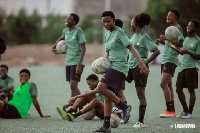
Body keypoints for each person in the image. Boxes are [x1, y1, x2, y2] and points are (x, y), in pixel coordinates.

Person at [93, 11, 149, 133]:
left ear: (113, 20)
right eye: (103, 22)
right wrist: (102, 66)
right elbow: (108, 53)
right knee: (107, 98)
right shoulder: (107, 35)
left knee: (101, 88)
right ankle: (106, 127)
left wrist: (141, 63)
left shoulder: (119, 32)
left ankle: (124, 106)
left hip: (120, 67)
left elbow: (131, 47)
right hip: (111, 67)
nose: (106, 24)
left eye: (108, 21)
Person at [126, 13, 160, 128]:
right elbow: (131, 52)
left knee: (140, 95)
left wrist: (144, 63)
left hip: (139, 69)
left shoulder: (144, 37)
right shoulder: (133, 36)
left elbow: (156, 51)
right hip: (129, 67)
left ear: (135, 24)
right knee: (117, 85)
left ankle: (140, 122)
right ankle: (122, 108)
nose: (130, 24)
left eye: (131, 22)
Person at [168, 20, 200, 119]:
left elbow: (198, 56)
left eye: (191, 26)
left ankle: (189, 112)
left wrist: (188, 52)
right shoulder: (185, 39)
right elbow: (183, 52)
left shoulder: (198, 40)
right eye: (187, 26)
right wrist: (174, 47)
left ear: (196, 29)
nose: (188, 27)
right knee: (178, 89)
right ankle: (185, 110)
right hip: (183, 67)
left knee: (191, 91)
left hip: (192, 68)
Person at [155, 9, 184, 118]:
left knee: (163, 84)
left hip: (171, 59)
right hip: (165, 59)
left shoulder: (178, 28)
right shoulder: (170, 29)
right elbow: (169, 43)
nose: (168, 17)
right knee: (169, 85)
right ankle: (172, 111)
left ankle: (169, 111)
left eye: (171, 15)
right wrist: (161, 40)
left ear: (176, 17)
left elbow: (181, 43)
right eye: (167, 15)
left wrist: (166, 38)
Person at [52, 13, 86, 98]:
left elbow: (84, 48)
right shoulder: (65, 31)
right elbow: (62, 38)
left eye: (69, 19)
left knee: (73, 85)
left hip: (77, 61)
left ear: (74, 22)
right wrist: (54, 46)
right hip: (68, 61)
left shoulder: (78, 31)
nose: (66, 20)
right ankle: (73, 108)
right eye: (66, 19)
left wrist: (79, 65)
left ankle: (81, 106)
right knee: (72, 87)